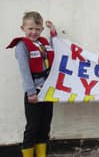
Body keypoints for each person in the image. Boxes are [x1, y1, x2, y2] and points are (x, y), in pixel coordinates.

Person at [6, 11, 57, 157]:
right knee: (33, 127)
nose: (34, 32)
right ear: (23, 28)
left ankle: (41, 155)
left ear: (41, 29)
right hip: (34, 92)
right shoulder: (22, 46)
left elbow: (54, 50)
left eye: (37, 29)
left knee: (45, 126)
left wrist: (53, 33)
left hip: (48, 90)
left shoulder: (43, 43)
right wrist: (31, 92)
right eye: (30, 29)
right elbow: (25, 71)